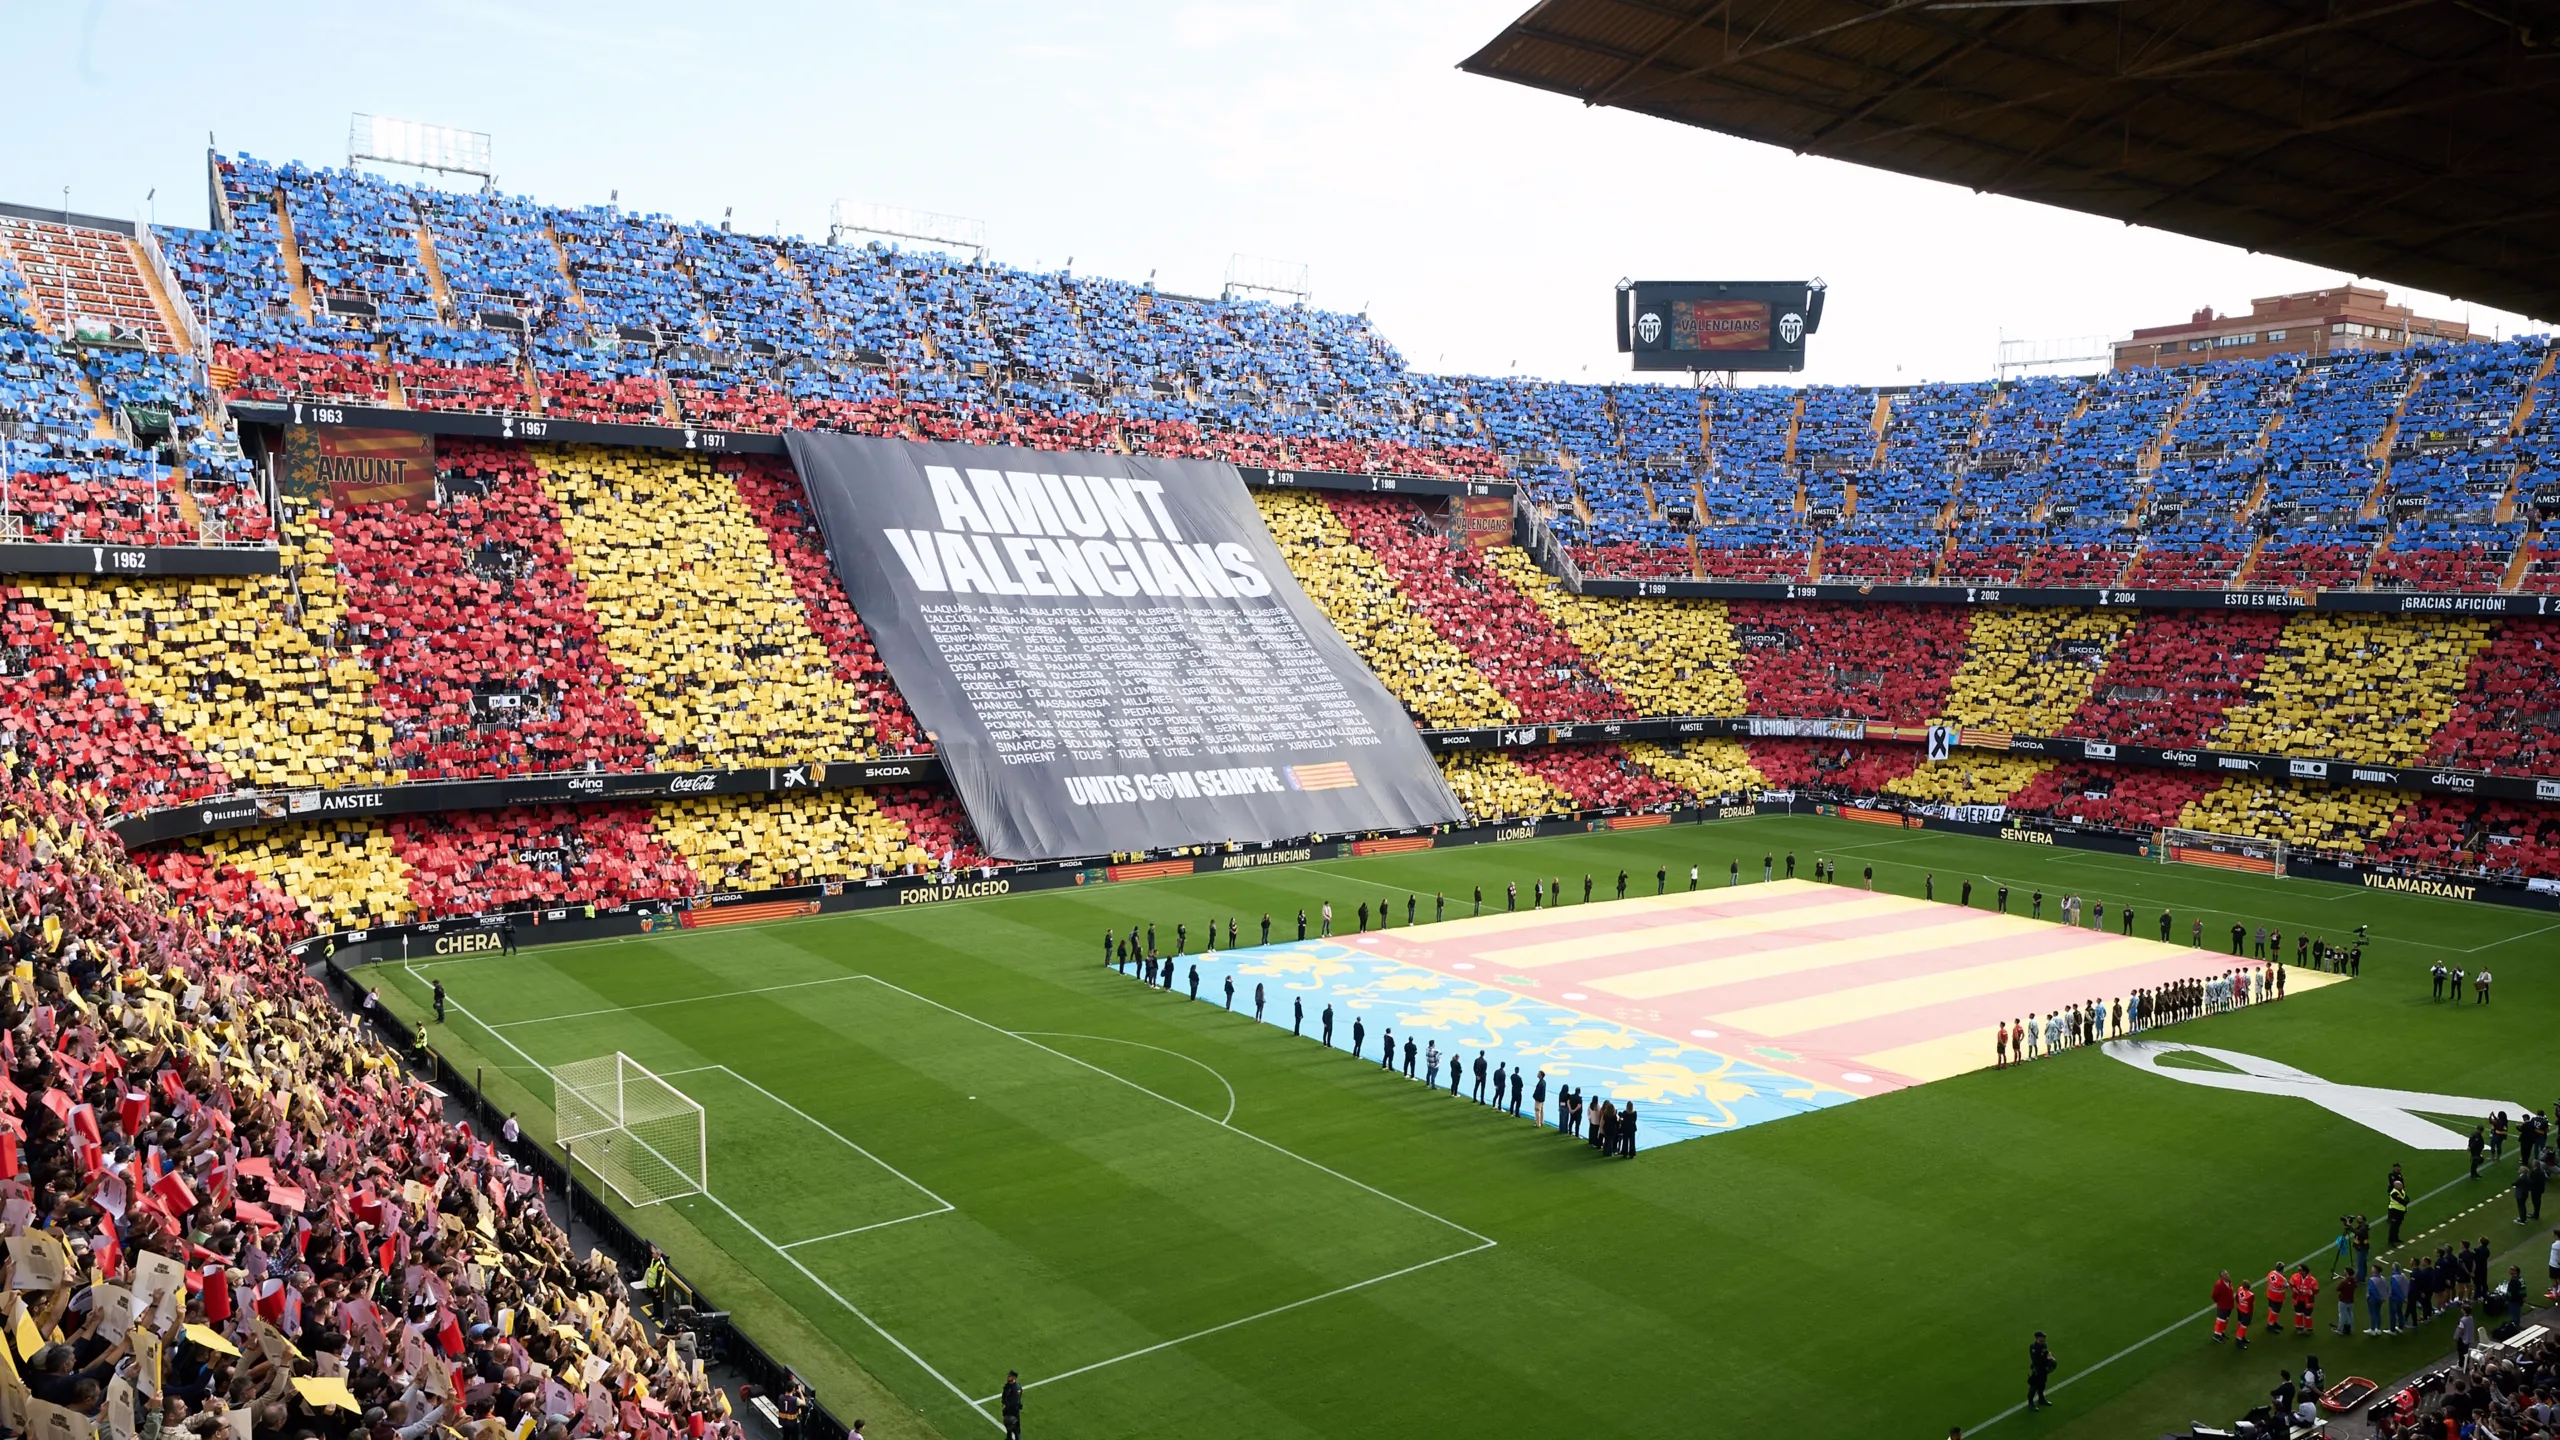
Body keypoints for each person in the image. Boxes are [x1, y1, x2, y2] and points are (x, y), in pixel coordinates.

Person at [2026, 1332, 2056, 1411]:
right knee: (2034, 1386)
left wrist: (2050, 1356)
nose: (2044, 1340)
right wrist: (2048, 1360)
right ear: (2037, 1338)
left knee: (2042, 1384)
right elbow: (2037, 1360)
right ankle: (2030, 1403)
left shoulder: (2044, 1345)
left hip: (2043, 1369)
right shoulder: (2034, 1347)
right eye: (2042, 1338)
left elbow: (2046, 1353)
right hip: (2037, 1369)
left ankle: (2041, 1399)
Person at [2211, 1270, 2236, 1341]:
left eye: (2227, 1274)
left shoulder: (2229, 1282)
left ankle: (2221, 1333)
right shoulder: (2219, 1285)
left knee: (2225, 1320)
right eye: (2225, 1275)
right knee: (2220, 1321)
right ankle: (2216, 1335)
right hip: (2223, 1306)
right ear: (2222, 1277)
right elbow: (2214, 1296)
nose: (2227, 1275)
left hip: (2229, 1305)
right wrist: (2220, 1302)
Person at [1000, 1371, 1023, 1439]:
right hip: (1007, 1411)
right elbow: (1004, 1397)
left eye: (1009, 1376)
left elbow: (1014, 1402)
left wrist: (1006, 1406)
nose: (1008, 1377)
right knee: (1008, 1427)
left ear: (1014, 1378)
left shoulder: (1016, 1388)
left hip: (1013, 1412)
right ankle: (1009, 1438)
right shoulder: (1008, 1386)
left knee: (1016, 1430)